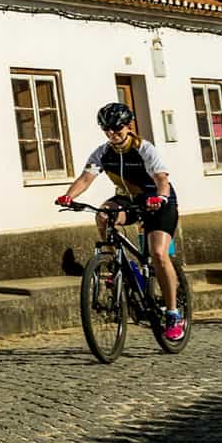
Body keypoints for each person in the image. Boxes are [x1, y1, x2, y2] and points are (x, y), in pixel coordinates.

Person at [55, 101, 185, 342]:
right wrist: (69, 196)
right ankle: (114, 262)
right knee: (104, 214)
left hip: (158, 202)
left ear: (128, 126)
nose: (112, 134)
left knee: (158, 254)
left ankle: (173, 314)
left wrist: (161, 197)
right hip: (130, 200)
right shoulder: (103, 152)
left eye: (116, 128)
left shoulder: (145, 149)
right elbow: (86, 178)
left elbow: (162, 179)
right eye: (106, 129)